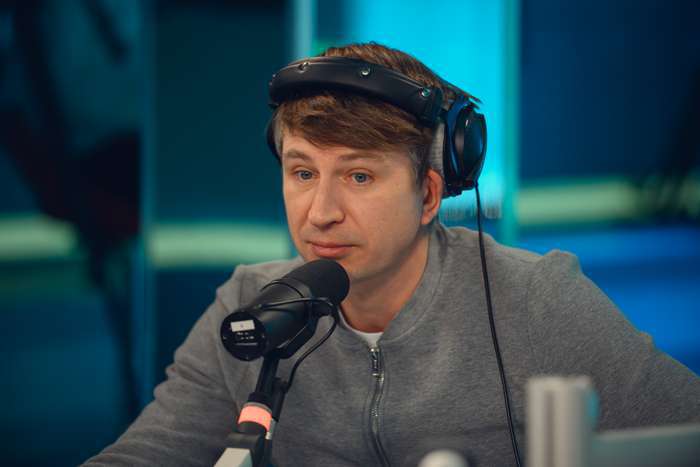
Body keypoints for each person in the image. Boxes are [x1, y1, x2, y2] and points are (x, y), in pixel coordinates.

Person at [84, 43, 700, 467]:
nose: (321, 211)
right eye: (303, 173)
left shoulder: (534, 299)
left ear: (428, 194)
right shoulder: (250, 302)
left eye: (358, 177)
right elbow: (144, 456)